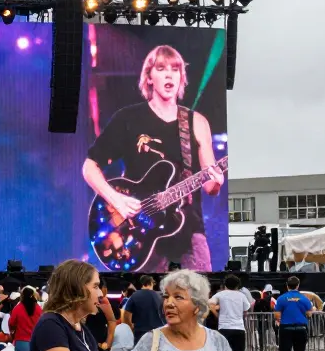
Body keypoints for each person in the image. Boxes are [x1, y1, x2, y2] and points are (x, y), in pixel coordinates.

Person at [81, 45, 224, 271]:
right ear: (149, 77)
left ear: (181, 77)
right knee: (146, 293)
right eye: (161, 68)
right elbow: (90, 167)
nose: (169, 75)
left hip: (189, 230)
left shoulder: (196, 122)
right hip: (140, 231)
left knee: (199, 291)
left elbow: (209, 186)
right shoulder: (128, 118)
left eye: (175, 69)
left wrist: (216, 180)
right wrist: (116, 200)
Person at [274, 276, 315, 351]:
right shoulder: (304, 299)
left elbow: (277, 315)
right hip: (301, 328)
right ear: (298, 285)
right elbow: (309, 314)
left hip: (286, 328)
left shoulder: (281, 298)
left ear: (287, 285)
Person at [209, 275, 250, 351]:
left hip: (224, 328)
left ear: (225, 285)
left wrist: (217, 315)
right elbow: (246, 309)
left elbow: (210, 304)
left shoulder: (220, 294)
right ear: (238, 285)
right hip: (239, 328)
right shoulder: (242, 296)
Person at [122, 275, 165, 347]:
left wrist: (131, 329)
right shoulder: (160, 296)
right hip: (158, 334)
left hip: (140, 334)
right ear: (151, 283)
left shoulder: (135, 296)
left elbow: (126, 316)